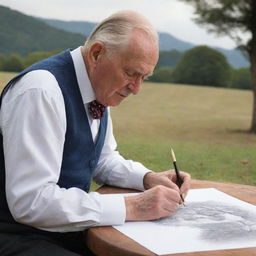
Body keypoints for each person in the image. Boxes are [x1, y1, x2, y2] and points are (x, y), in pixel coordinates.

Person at [0, 10, 191, 256]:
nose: (136, 88)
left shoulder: (98, 89)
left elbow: (102, 159)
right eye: (131, 73)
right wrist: (134, 205)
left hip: (64, 233)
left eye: (144, 77)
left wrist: (147, 178)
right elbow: (31, 202)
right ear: (97, 53)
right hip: (16, 237)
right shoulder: (41, 91)